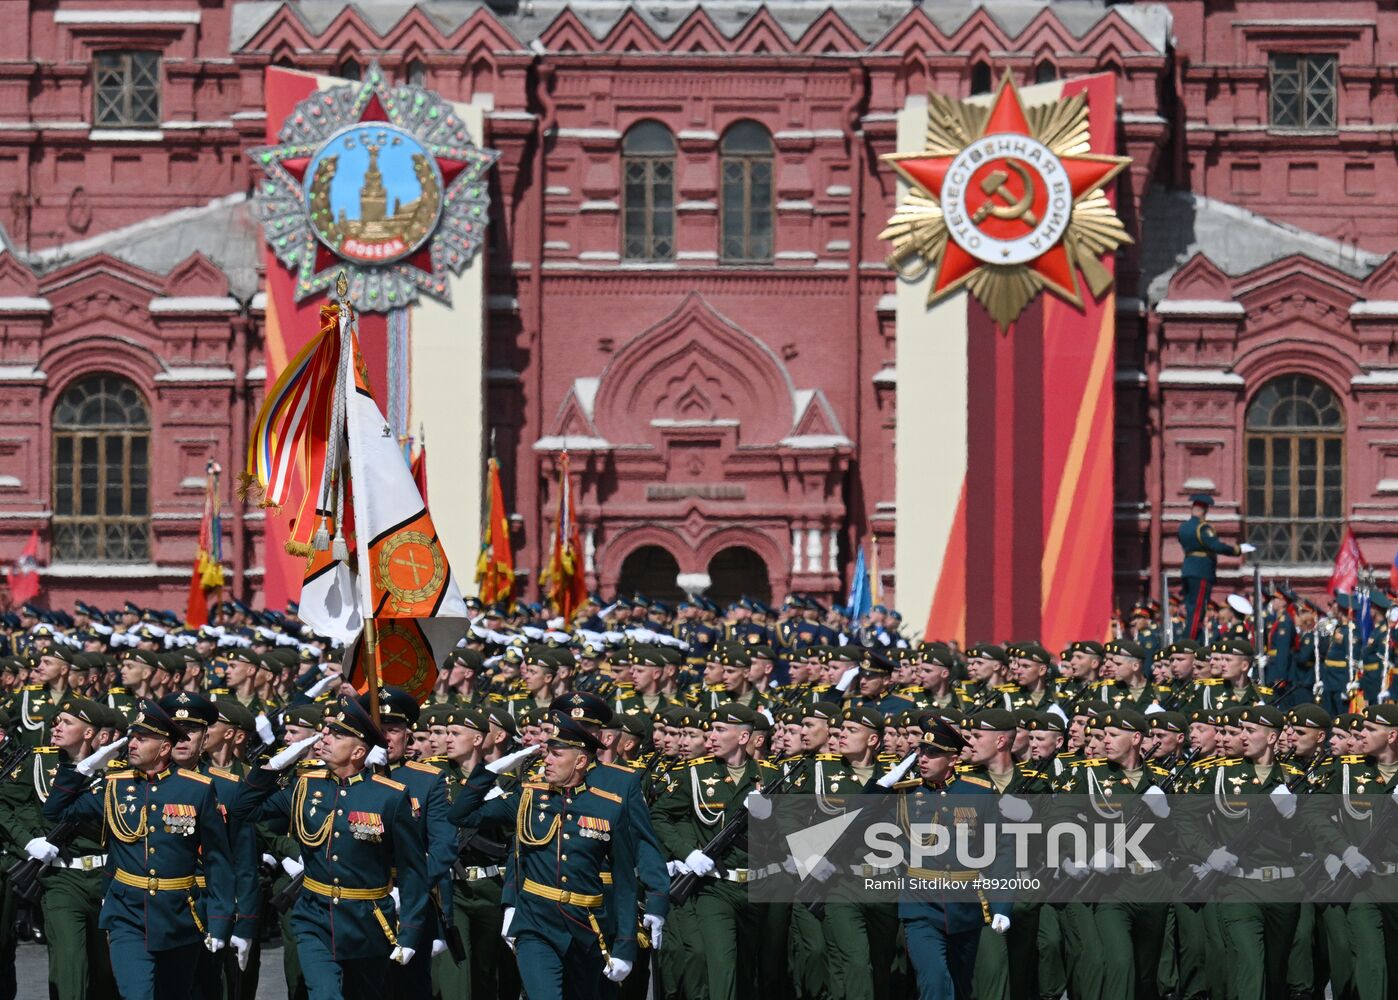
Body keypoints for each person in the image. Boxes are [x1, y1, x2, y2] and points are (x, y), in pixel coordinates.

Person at [231, 697, 428, 1000]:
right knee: (323, 993)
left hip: (368, 920)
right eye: (328, 732)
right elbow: (242, 810)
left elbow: (413, 869)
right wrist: (272, 767)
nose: (326, 738)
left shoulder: (389, 796)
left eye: (337, 735)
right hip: (314, 916)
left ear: (359, 751)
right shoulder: (306, 787)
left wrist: (411, 931)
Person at [42, 699, 236, 1000]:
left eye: (141, 739)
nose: (131, 744)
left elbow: (217, 859)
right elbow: (56, 813)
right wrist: (81, 769)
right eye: (132, 737)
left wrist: (221, 921)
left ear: (164, 748)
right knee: (137, 993)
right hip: (127, 914)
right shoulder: (114, 786)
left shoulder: (197, 789)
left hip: (179, 915)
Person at [454, 717, 639, 999]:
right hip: (536, 923)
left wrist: (625, 945)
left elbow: (625, 881)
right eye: (547, 753)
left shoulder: (608, 808)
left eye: (556, 754)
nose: (547, 761)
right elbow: (460, 815)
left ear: (579, 762)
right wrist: (491, 770)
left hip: (586, 925)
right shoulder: (527, 798)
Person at [1178, 493, 1254, 640]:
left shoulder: (1184, 527)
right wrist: (1238, 550)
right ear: (1203, 511)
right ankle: (1190, 641)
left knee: (1191, 607)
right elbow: (1216, 546)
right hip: (1201, 571)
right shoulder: (1203, 528)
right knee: (1198, 609)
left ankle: (1190, 637)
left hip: (1187, 569)